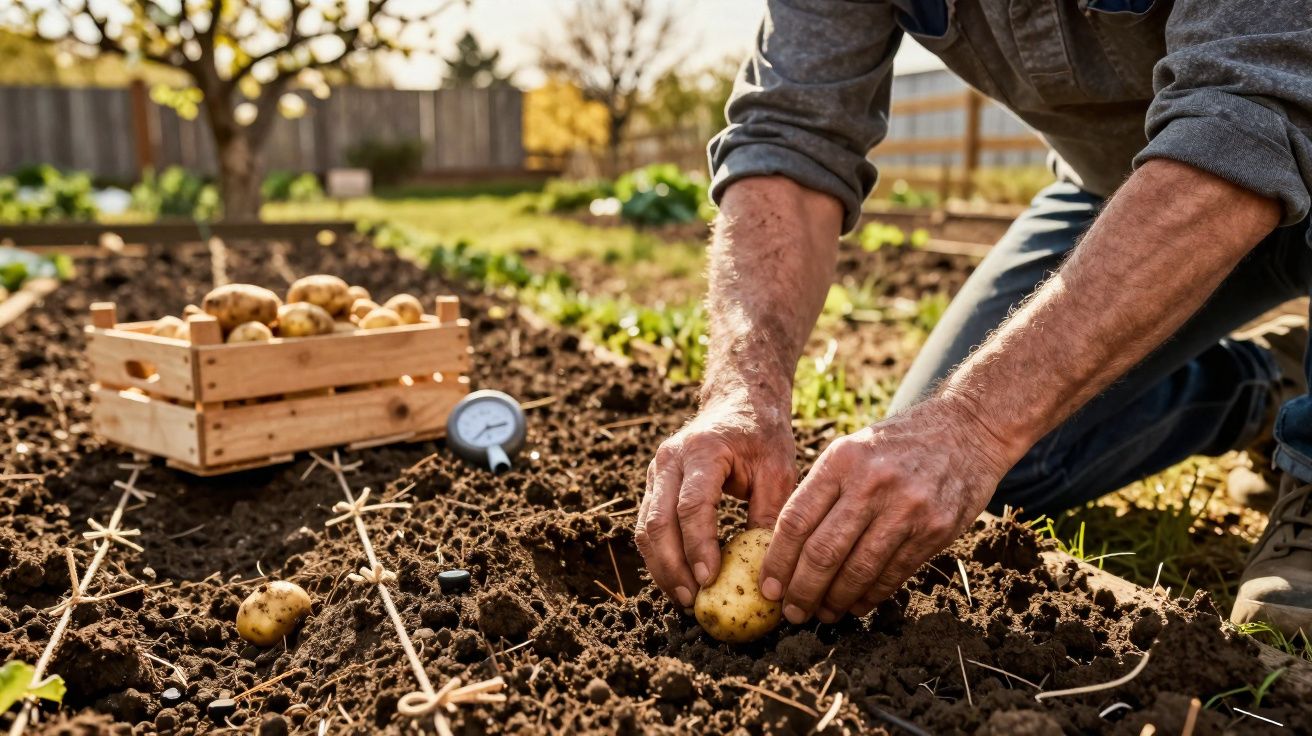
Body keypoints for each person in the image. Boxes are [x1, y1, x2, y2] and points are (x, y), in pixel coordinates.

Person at [635, 0, 1312, 637]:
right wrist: (744, 390)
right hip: (1124, 191)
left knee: (979, 430)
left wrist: (977, 425)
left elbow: (1249, 116)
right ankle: (1266, 382)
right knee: (974, 478)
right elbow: (791, 133)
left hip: (1273, 128)